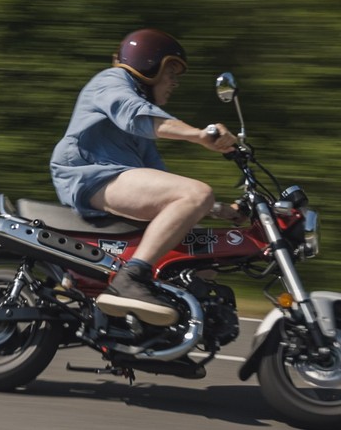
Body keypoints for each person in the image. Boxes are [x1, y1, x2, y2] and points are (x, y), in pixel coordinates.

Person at [50, 28, 243, 326]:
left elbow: (164, 188)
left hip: (118, 179)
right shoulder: (111, 82)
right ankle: (131, 278)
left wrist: (221, 210)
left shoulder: (143, 136)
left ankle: (158, 323)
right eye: (171, 73)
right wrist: (200, 135)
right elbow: (134, 114)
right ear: (149, 65)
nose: (175, 83)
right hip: (89, 177)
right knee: (197, 193)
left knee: (199, 246)